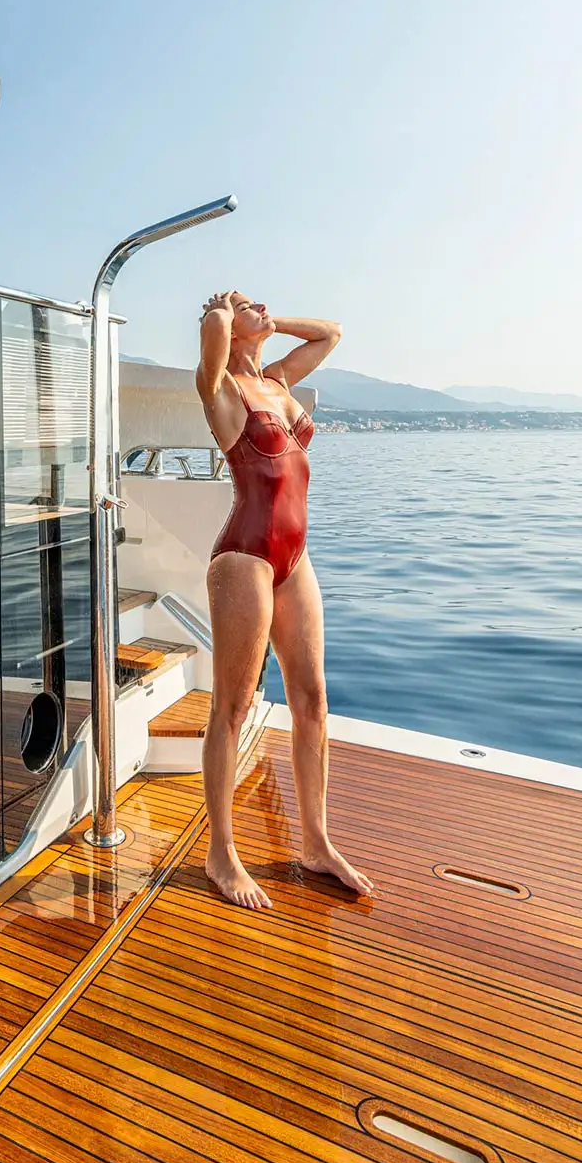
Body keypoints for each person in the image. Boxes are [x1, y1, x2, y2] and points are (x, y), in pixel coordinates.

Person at [195, 290, 372, 908]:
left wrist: (266, 321)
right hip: (244, 556)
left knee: (313, 699)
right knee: (233, 708)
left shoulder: (277, 380)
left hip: (296, 558)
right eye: (249, 303)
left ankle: (316, 843)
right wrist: (223, 310)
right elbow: (213, 339)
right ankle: (221, 853)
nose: (261, 306)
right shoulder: (221, 389)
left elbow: (330, 333)